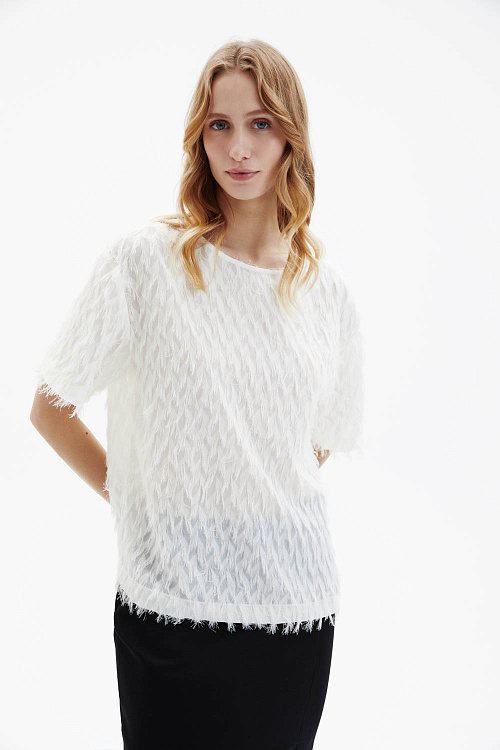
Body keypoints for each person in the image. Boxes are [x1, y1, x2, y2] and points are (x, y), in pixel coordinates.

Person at [30, 38, 364, 750]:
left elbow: (316, 443)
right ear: (199, 138)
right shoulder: (144, 264)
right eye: (220, 124)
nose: (239, 147)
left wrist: (245, 495)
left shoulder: (325, 291)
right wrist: (141, 500)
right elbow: (50, 408)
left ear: (290, 136)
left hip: (293, 614)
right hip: (167, 608)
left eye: (260, 124)